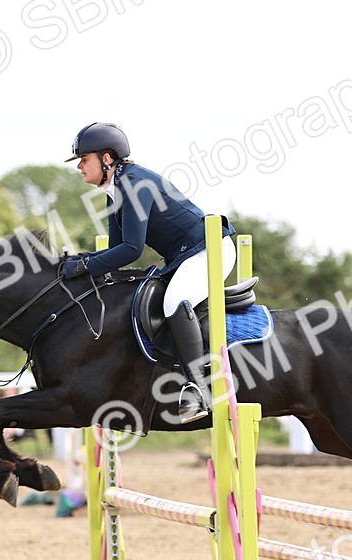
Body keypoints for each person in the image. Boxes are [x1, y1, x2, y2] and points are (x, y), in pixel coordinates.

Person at [61, 122, 237, 423]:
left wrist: (86, 265)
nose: (79, 165)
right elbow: (116, 249)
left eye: (84, 158)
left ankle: (198, 390)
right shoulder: (115, 191)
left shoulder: (133, 184)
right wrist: (84, 260)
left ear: (107, 159)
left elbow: (132, 250)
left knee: (173, 302)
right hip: (187, 256)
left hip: (209, 251)